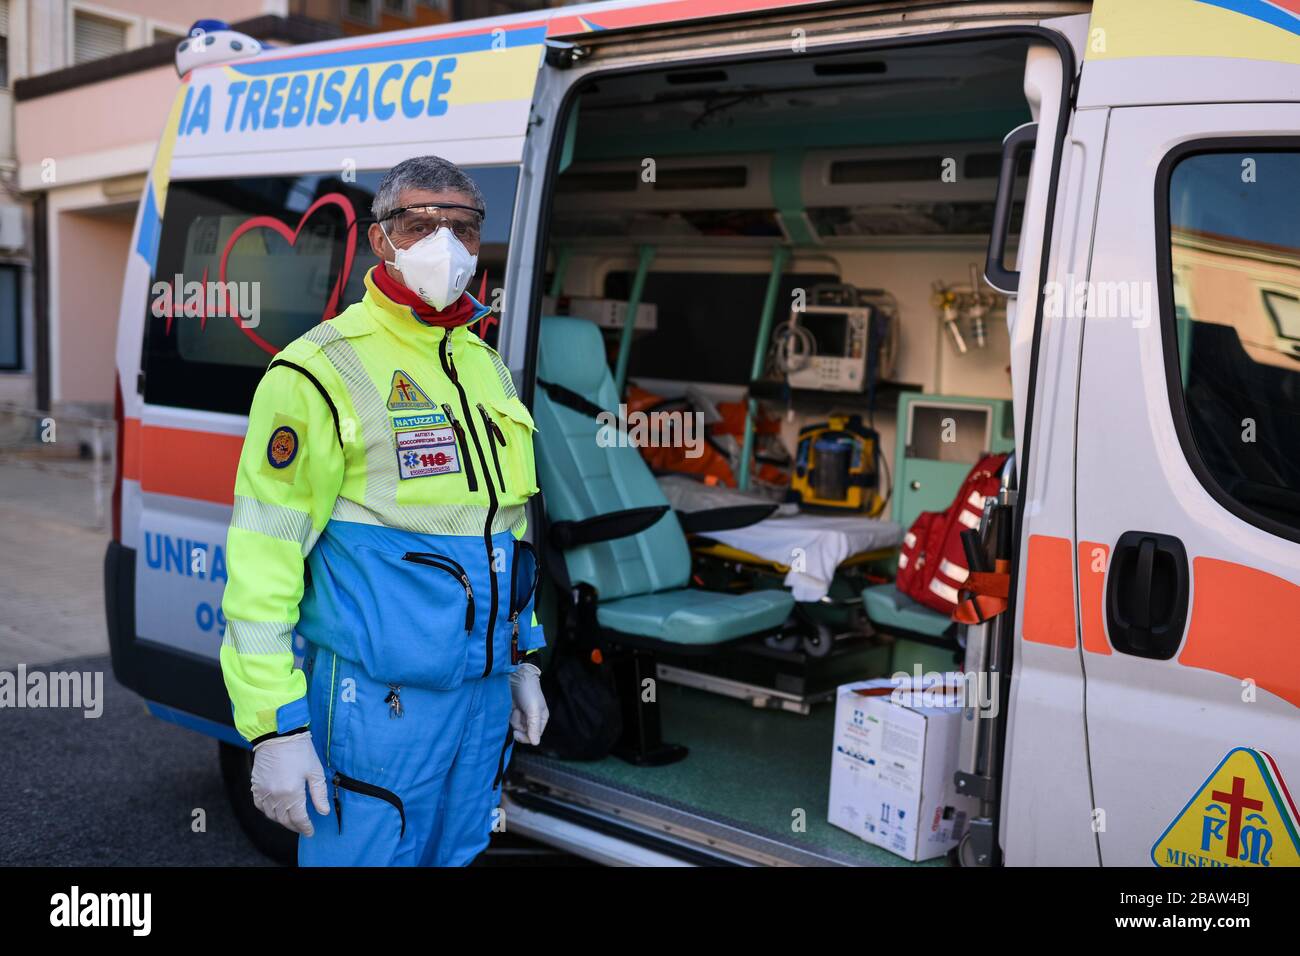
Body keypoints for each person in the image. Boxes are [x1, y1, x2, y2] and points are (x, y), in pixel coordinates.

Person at [219, 155, 549, 866]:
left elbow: (506, 532)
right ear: (381, 240)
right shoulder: (317, 369)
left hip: (481, 694)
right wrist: (275, 728)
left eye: (462, 226)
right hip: (380, 704)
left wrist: (524, 657)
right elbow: (262, 558)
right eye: (419, 222)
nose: (444, 243)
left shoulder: (484, 366)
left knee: (459, 852)